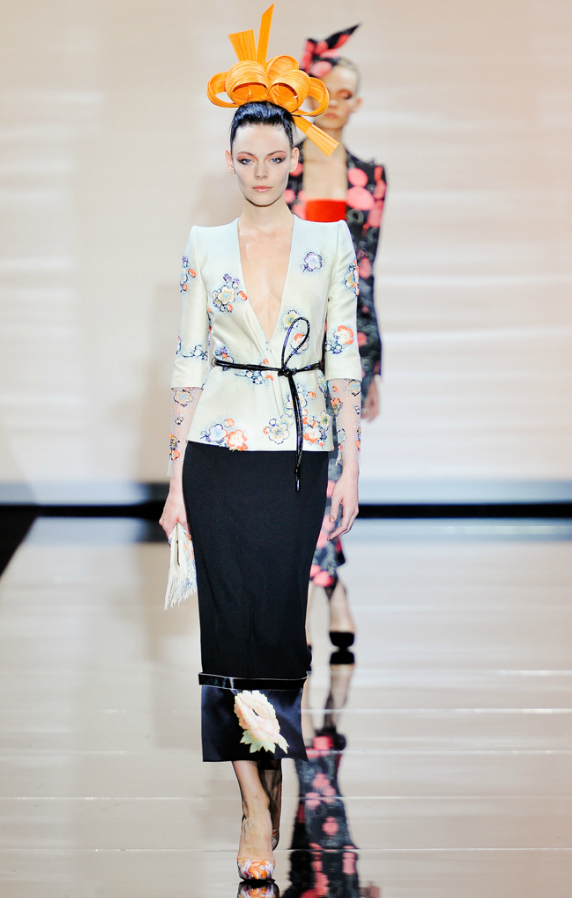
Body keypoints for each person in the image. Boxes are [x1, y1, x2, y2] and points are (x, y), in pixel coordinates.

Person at [159, 6, 362, 883]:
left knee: (277, 629)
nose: (262, 173)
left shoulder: (328, 241)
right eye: (247, 159)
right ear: (230, 159)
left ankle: (271, 773)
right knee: (226, 631)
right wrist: (175, 480)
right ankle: (251, 805)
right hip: (216, 451)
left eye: (276, 158)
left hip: (298, 454)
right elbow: (187, 362)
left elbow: (343, 356)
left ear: (293, 158)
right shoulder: (205, 246)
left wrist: (352, 467)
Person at [285, 26, 388, 652]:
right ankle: (330, 586)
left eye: (346, 94)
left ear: (357, 103)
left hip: (347, 342)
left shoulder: (370, 178)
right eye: (326, 91)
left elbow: (368, 270)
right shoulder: (281, 167)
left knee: (332, 468)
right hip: (287, 344)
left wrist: (377, 363)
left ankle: (315, 589)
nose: (335, 103)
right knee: (300, 472)